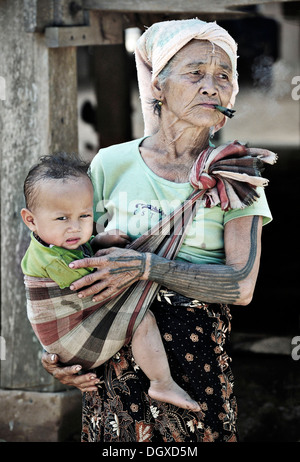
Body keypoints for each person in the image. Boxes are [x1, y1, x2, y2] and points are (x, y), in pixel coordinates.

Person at [41, 19, 276, 442]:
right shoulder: (110, 165)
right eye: (195, 72)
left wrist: (146, 266)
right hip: (111, 362)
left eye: (223, 76)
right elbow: (62, 259)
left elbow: (241, 286)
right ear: (159, 88)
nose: (211, 86)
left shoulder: (238, 177)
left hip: (193, 362)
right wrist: (56, 345)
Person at [21, 152, 201, 412]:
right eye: (62, 218)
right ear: (30, 220)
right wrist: (139, 266)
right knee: (142, 318)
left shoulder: (53, 242)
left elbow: (81, 253)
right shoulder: (51, 261)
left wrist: (97, 242)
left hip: (77, 332)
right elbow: (93, 285)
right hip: (70, 341)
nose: (75, 228)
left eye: (84, 216)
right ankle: (161, 382)